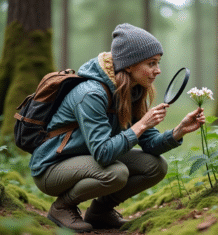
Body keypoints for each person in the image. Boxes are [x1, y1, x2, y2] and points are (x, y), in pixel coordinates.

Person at [29, 23, 205, 232]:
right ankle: (62, 207)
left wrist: (179, 131)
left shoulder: (133, 91)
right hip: (52, 167)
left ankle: (100, 212)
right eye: (151, 63)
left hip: (88, 160)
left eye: (158, 63)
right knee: (116, 172)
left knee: (156, 166)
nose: (157, 70)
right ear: (128, 65)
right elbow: (104, 154)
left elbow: (149, 143)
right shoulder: (91, 94)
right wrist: (140, 125)